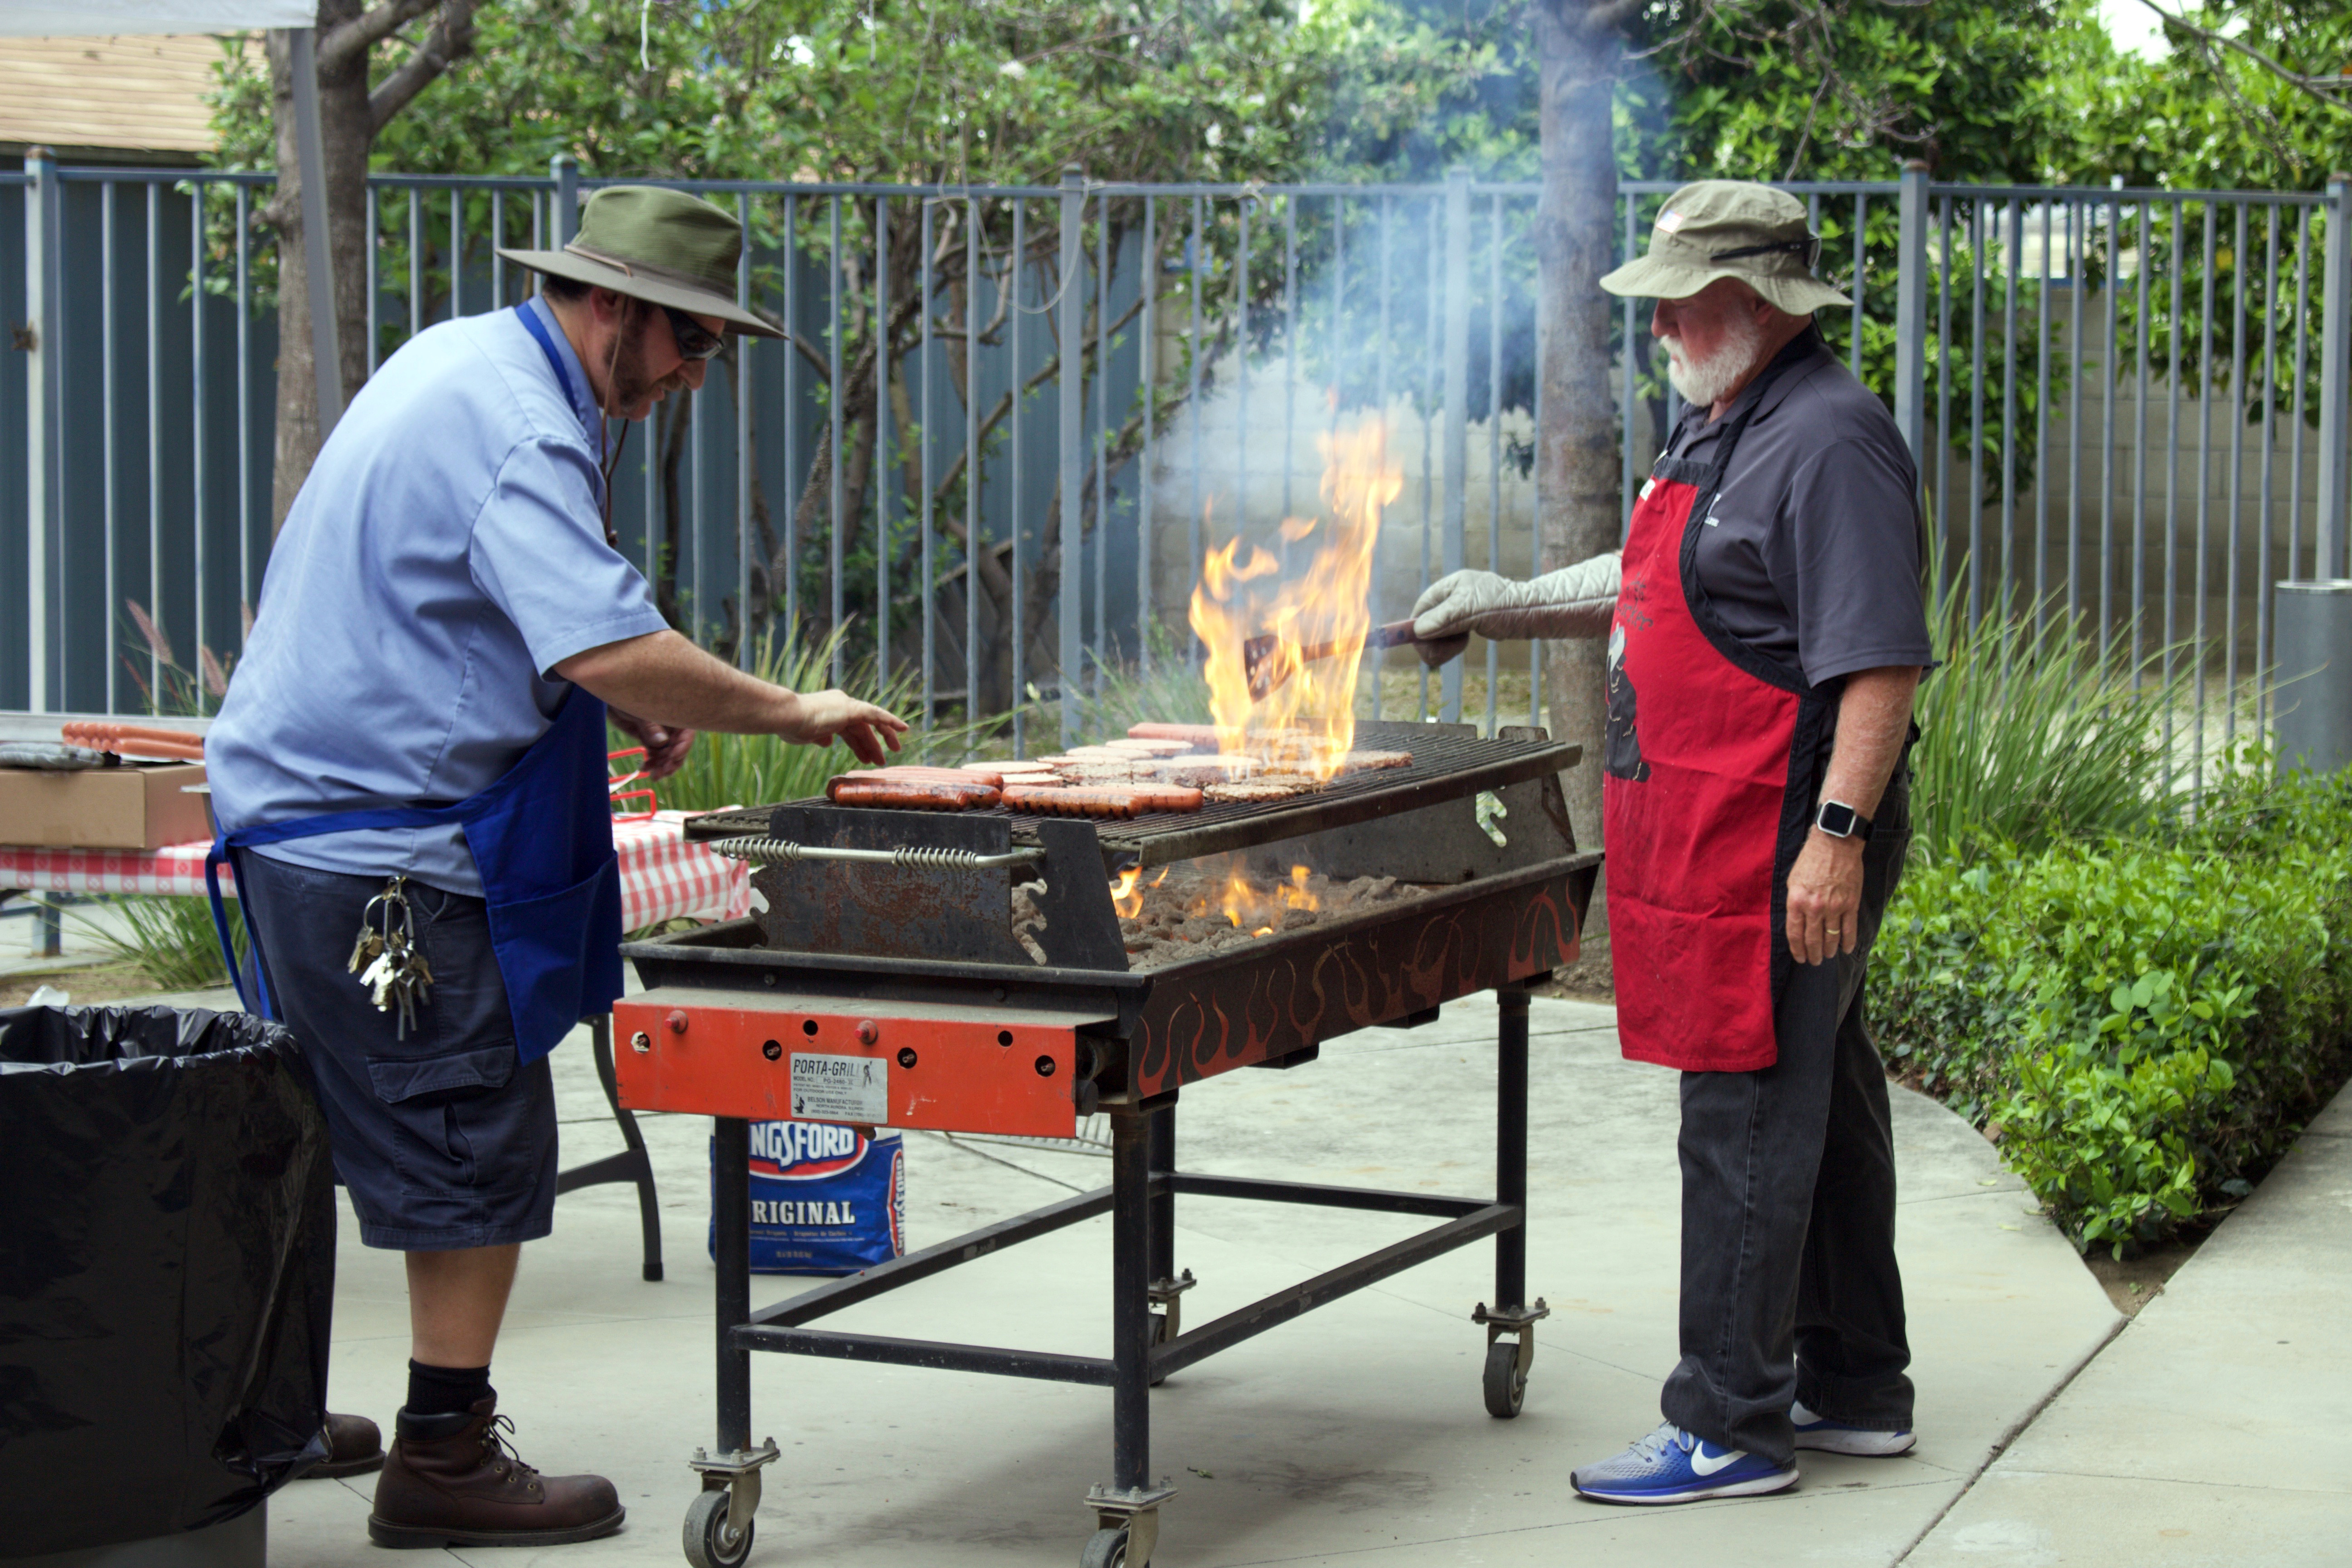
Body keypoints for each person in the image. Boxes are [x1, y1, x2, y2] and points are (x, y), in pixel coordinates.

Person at [203, 186, 906, 1549]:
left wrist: (607, 686)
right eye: (687, 342)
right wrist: (786, 707)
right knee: (472, 1129)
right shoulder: (526, 424)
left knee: (319, 1132)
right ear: (614, 309)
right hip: (375, 854)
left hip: (302, 825)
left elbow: (488, 602)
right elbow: (601, 639)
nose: (691, 374)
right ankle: (443, 1460)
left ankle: (269, 1413)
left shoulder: (462, 360)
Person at [1411, 180, 1930, 1506]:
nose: (1657, 334)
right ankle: (1855, 1384)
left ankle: (1731, 1423)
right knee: (1831, 1097)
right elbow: (1655, 582)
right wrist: (1509, 602)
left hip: (1784, 826)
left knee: (1745, 1105)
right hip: (1720, 820)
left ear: (1751, 305)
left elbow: (1879, 669)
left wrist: (1834, 843)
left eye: (1677, 307)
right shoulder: (1721, 423)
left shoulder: (1831, 440)